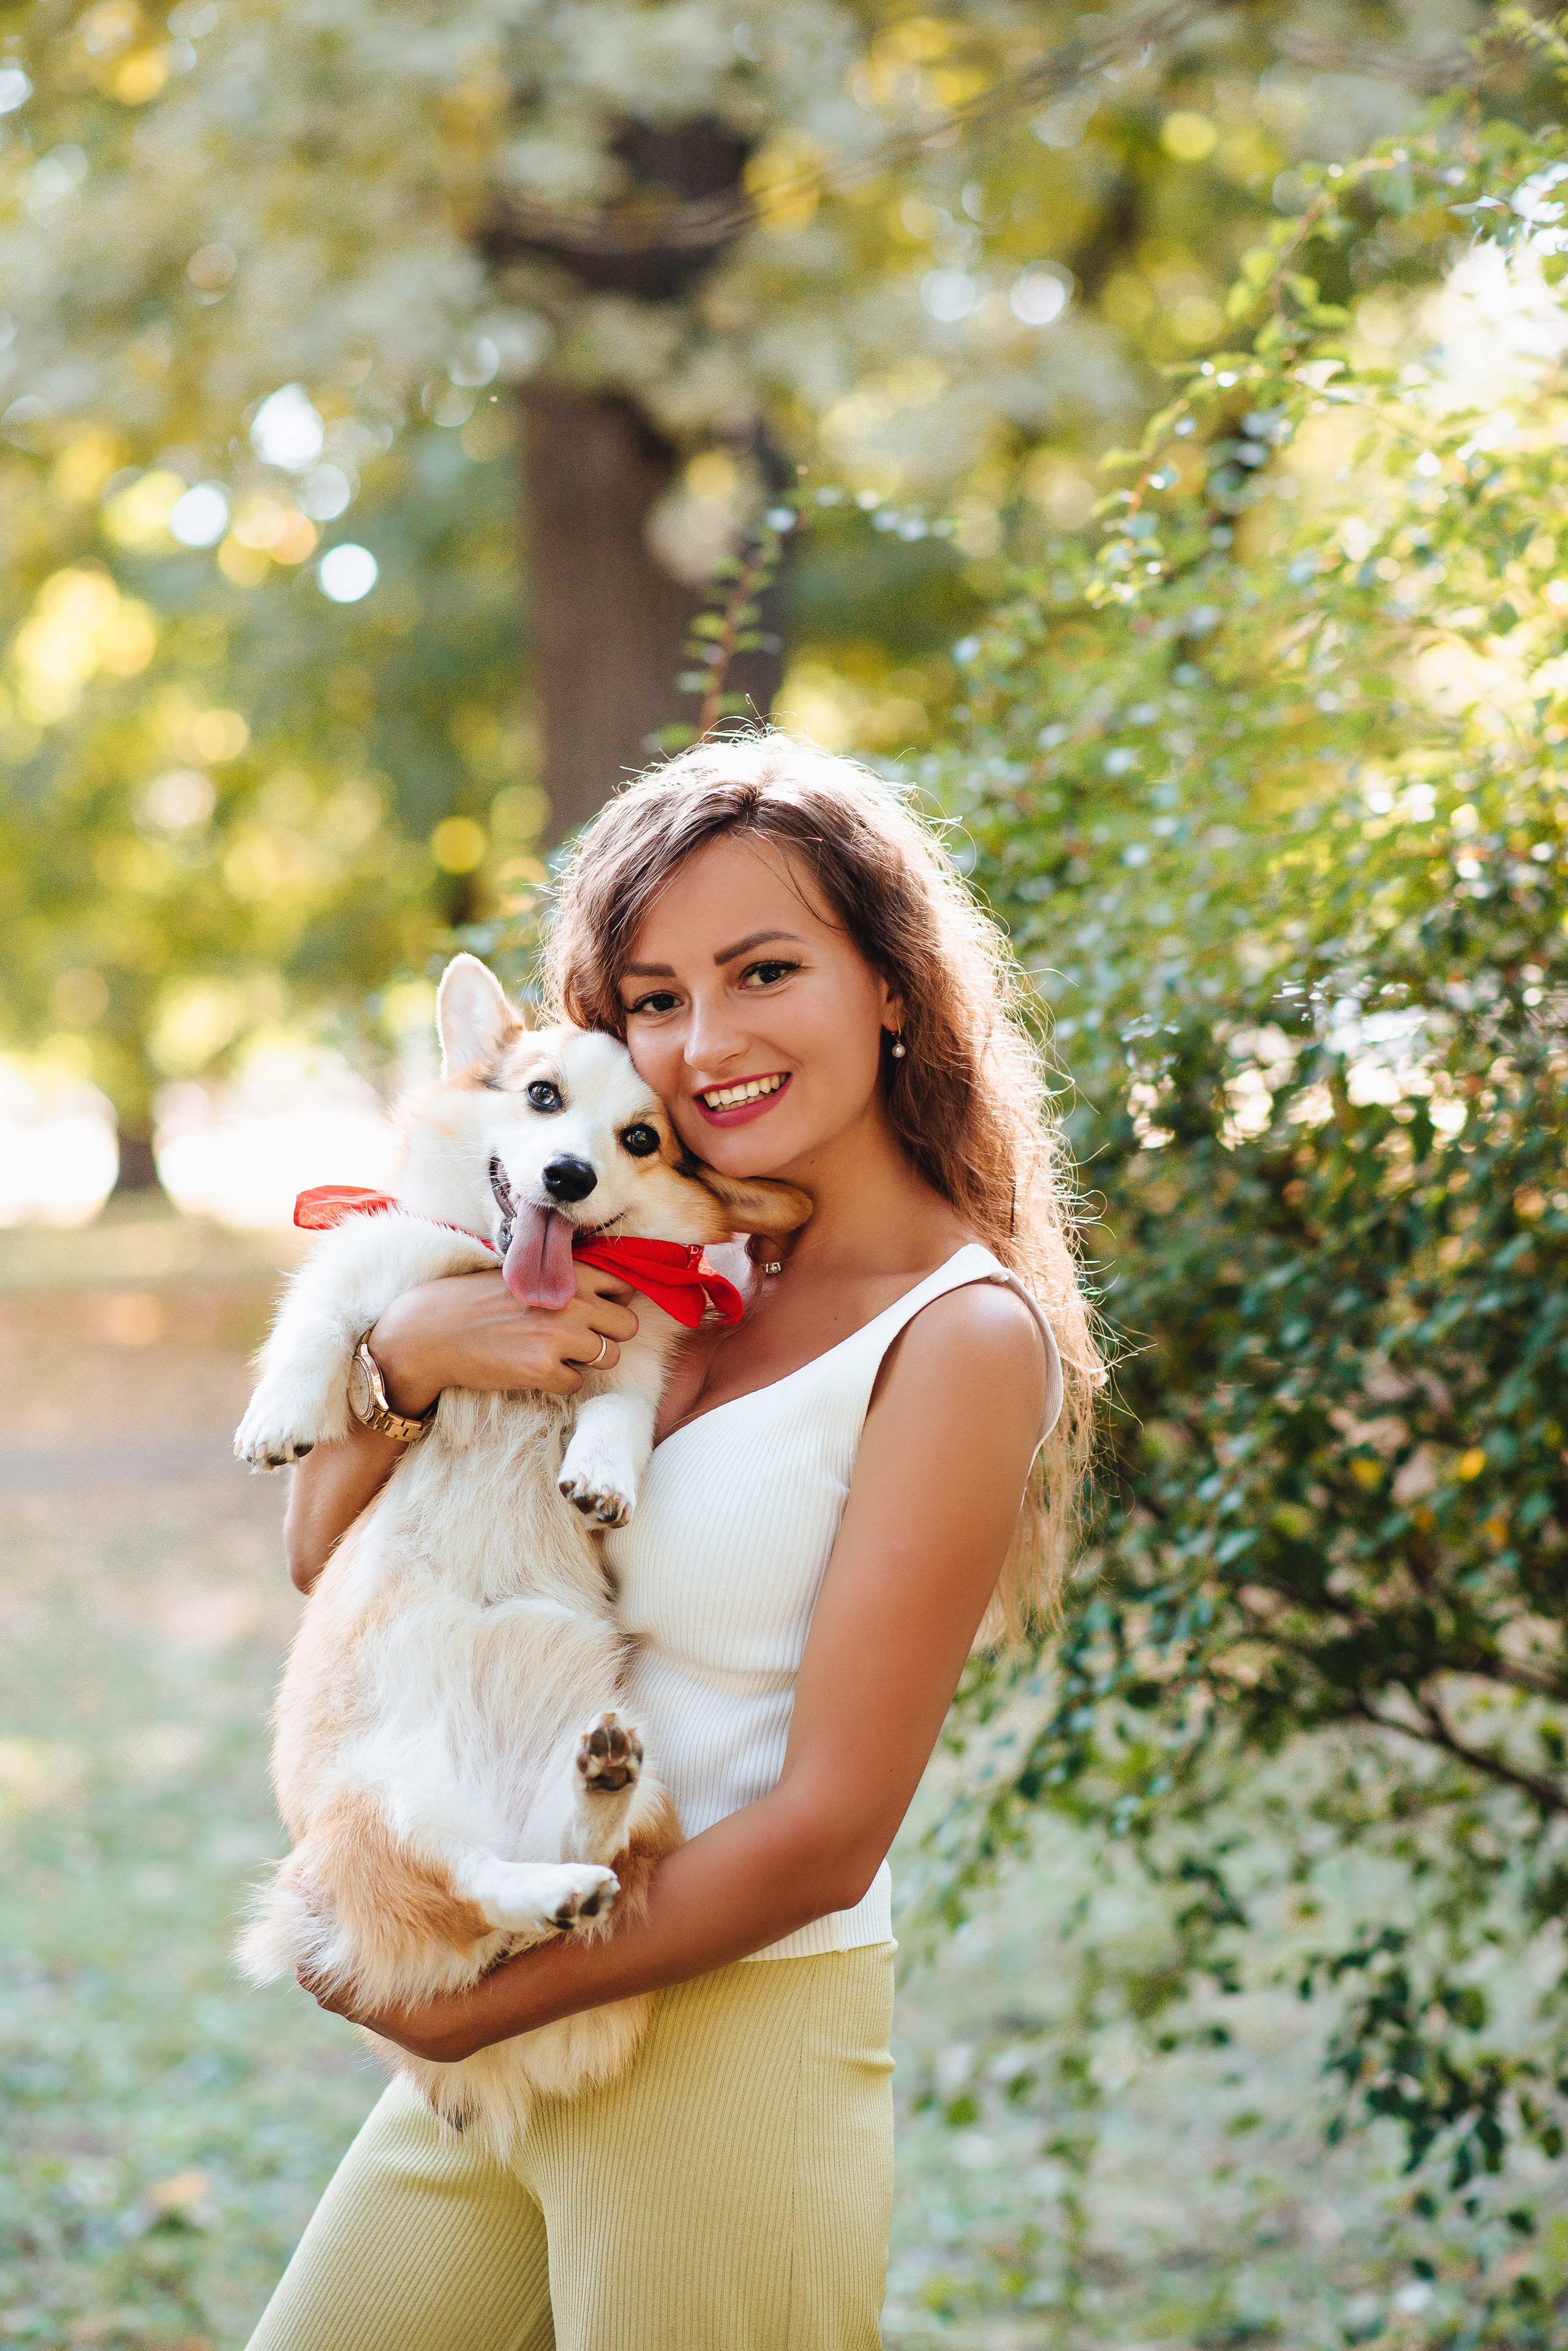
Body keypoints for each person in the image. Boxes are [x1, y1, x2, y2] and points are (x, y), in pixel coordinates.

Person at [247, 734, 1099, 2351]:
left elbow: (831, 1828)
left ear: (895, 987)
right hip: (512, 2033)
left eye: (765, 970)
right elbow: (322, 1549)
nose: (704, 1042)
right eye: (652, 995)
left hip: (721, 2025)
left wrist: (455, 1991)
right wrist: (417, 1357)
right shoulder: (630, 1253)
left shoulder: (958, 1337)